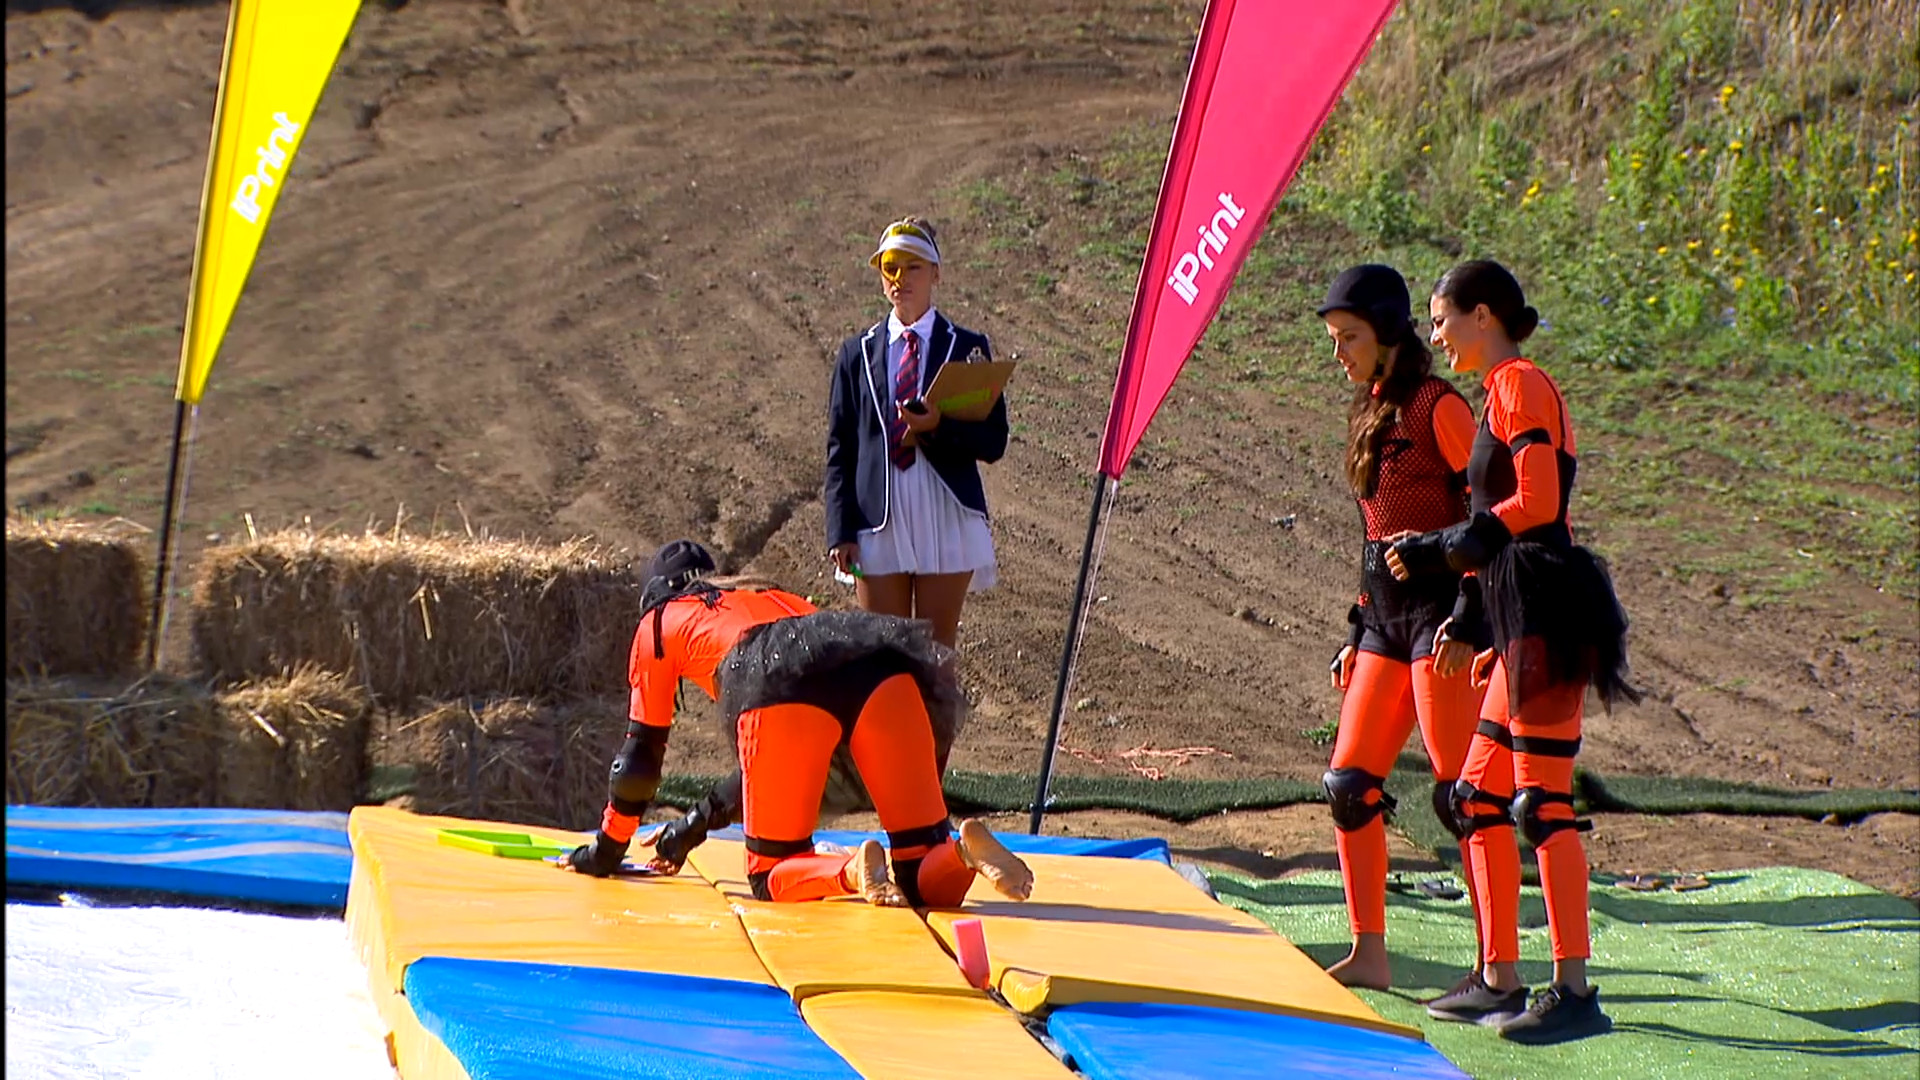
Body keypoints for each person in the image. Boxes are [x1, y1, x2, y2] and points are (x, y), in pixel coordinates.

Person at [1387, 260, 1638, 1044]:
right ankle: (1498, 977)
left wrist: (1441, 548)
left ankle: (1575, 990)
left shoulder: (1521, 383)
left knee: (1541, 803)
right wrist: (1469, 612)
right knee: (1474, 798)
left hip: (1546, 611)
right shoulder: (1499, 391)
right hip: (1516, 611)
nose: (1434, 335)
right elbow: (1500, 516)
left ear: (1483, 315)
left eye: (1441, 319)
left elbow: (1538, 502)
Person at [563, 540, 1032, 909]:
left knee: (770, 872)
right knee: (921, 873)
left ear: (653, 595)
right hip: (880, 666)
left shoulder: (659, 622)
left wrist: (606, 852)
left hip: (777, 685)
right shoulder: (768, 594)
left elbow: (638, 764)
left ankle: (850, 870)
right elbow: (765, 771)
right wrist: (689, 828)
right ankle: (963, 851)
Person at [1313, 264, 1489, 991]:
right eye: (1333, 339)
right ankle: (1370, 953)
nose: (1339, 353)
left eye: (1349, 337)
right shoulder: (1372, 406)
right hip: (1385, 620)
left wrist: (1471, 615)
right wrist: (1358, 625)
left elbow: (1489, 516)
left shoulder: (1436, 406)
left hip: (1442, 619)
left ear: (1387, 332)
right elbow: (1375, 529)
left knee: (1462, 797)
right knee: (1349, 784)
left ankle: (1495, 966)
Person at [824, 216, 1008, 650]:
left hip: (945, 511)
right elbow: (840, 447)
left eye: (913, 267)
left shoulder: (967, 346)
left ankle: (934, 703)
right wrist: (840, 530)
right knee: (883, 654)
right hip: (877, 519)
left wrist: (938, 428)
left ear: (936, 274)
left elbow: (993, 440)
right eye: (890, 267)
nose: (900, 278)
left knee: (935, 652)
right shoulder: (855, 353)